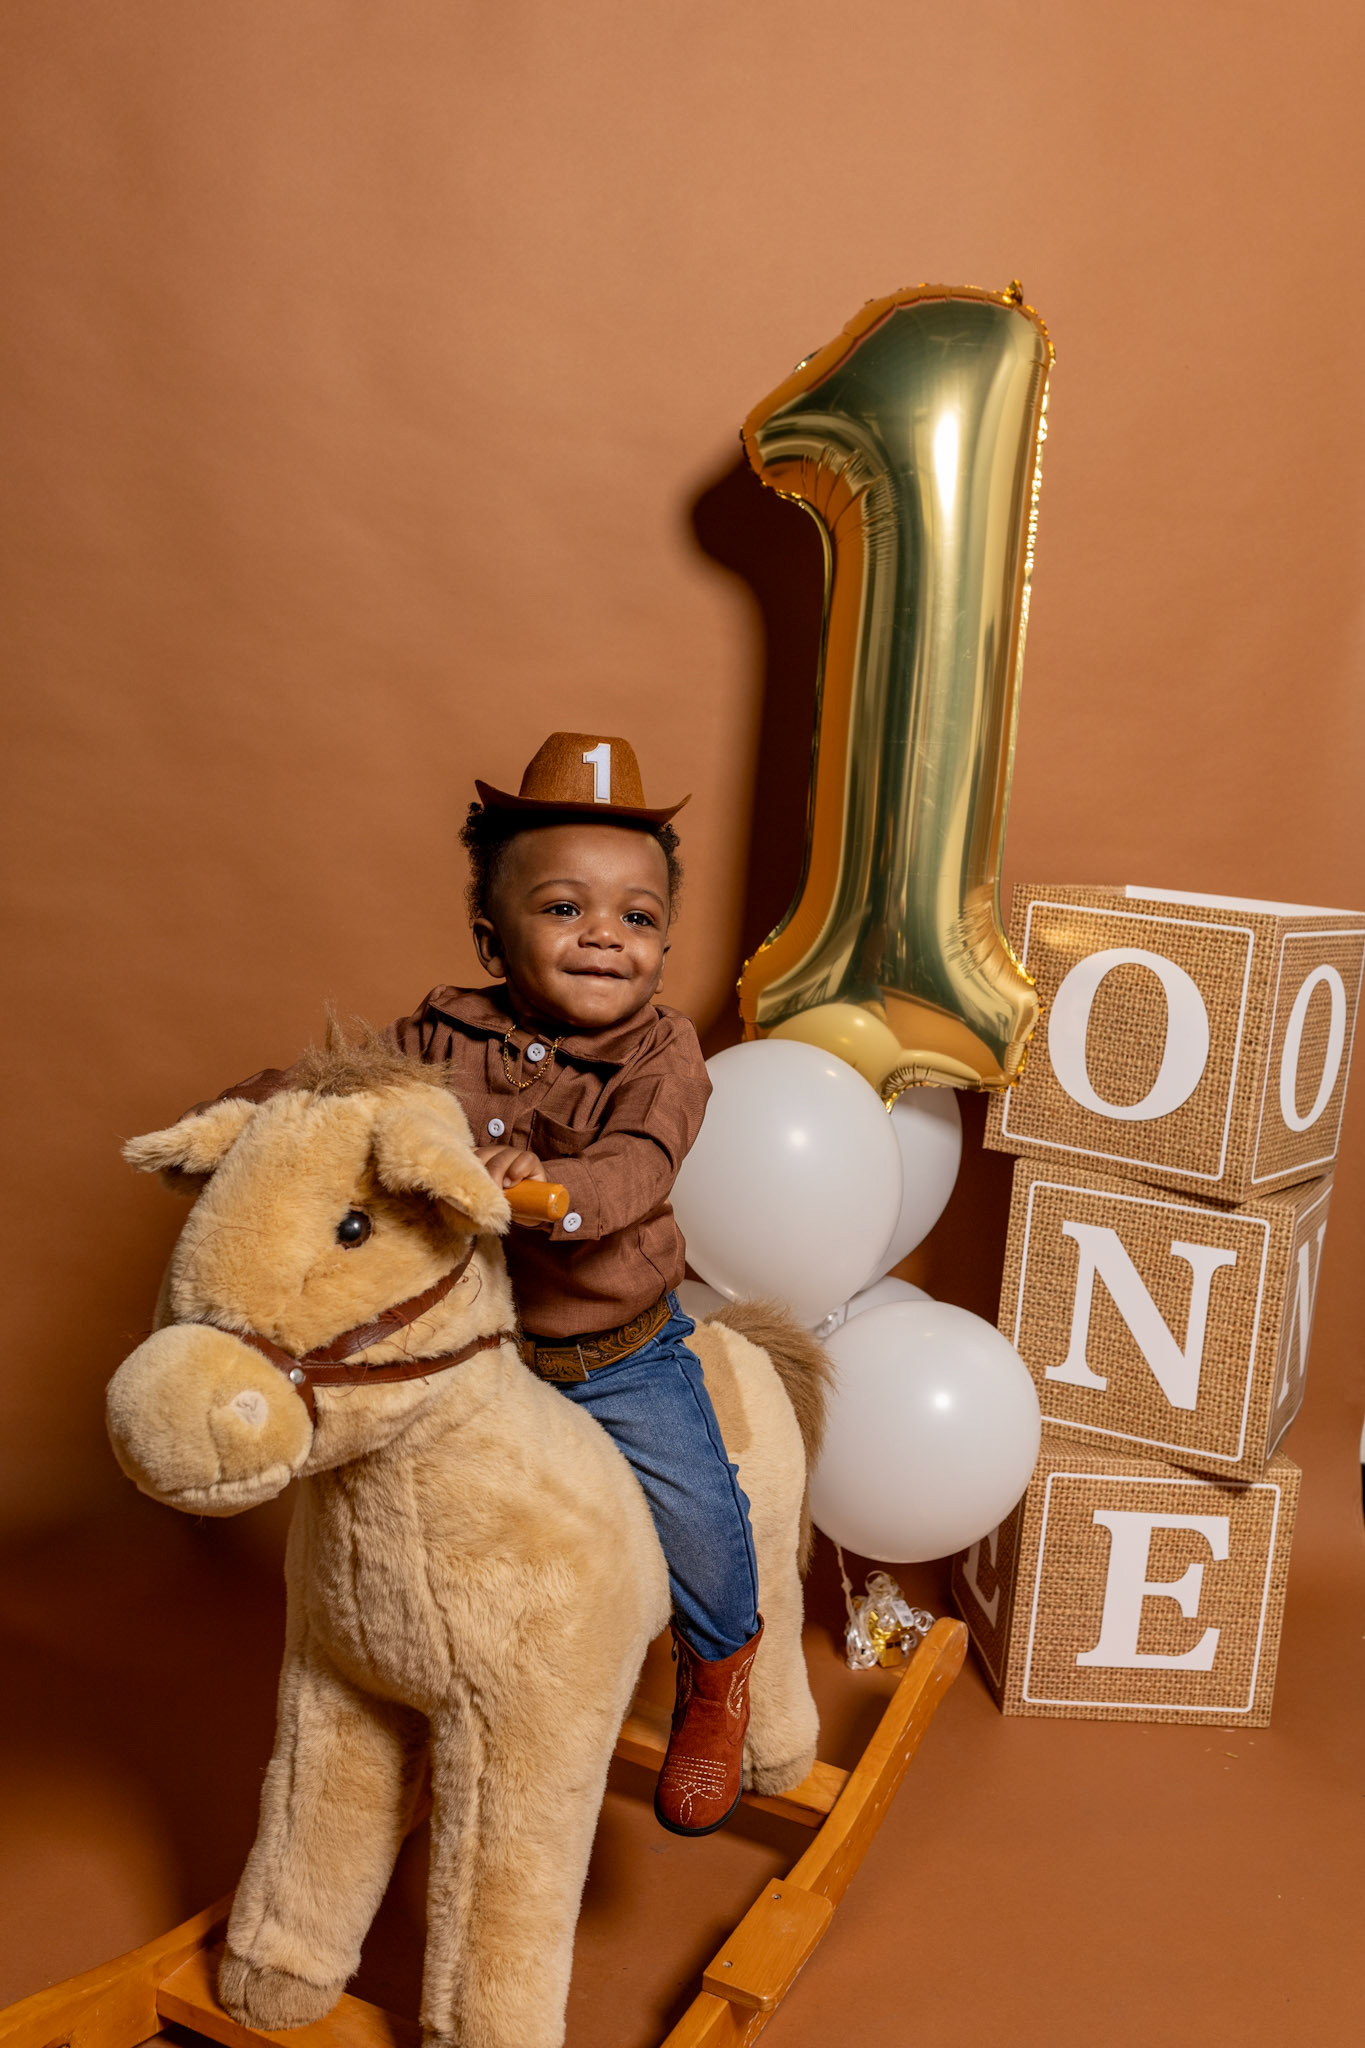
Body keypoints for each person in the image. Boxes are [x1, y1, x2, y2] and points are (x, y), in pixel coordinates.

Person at [200, 731, 762, 1837]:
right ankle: (407, 1668)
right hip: (475, 1350)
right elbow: (346, 1085)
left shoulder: (665, 1055)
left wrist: (552, 1193)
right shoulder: (445, 1028)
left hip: (610, 1352)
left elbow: (638, 1165)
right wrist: (262, 1116)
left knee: (702, 1509)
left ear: (664, 943)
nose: (605, 934)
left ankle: (720, 1669)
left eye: (637, 916)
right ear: (492, 936)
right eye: (563, 908)